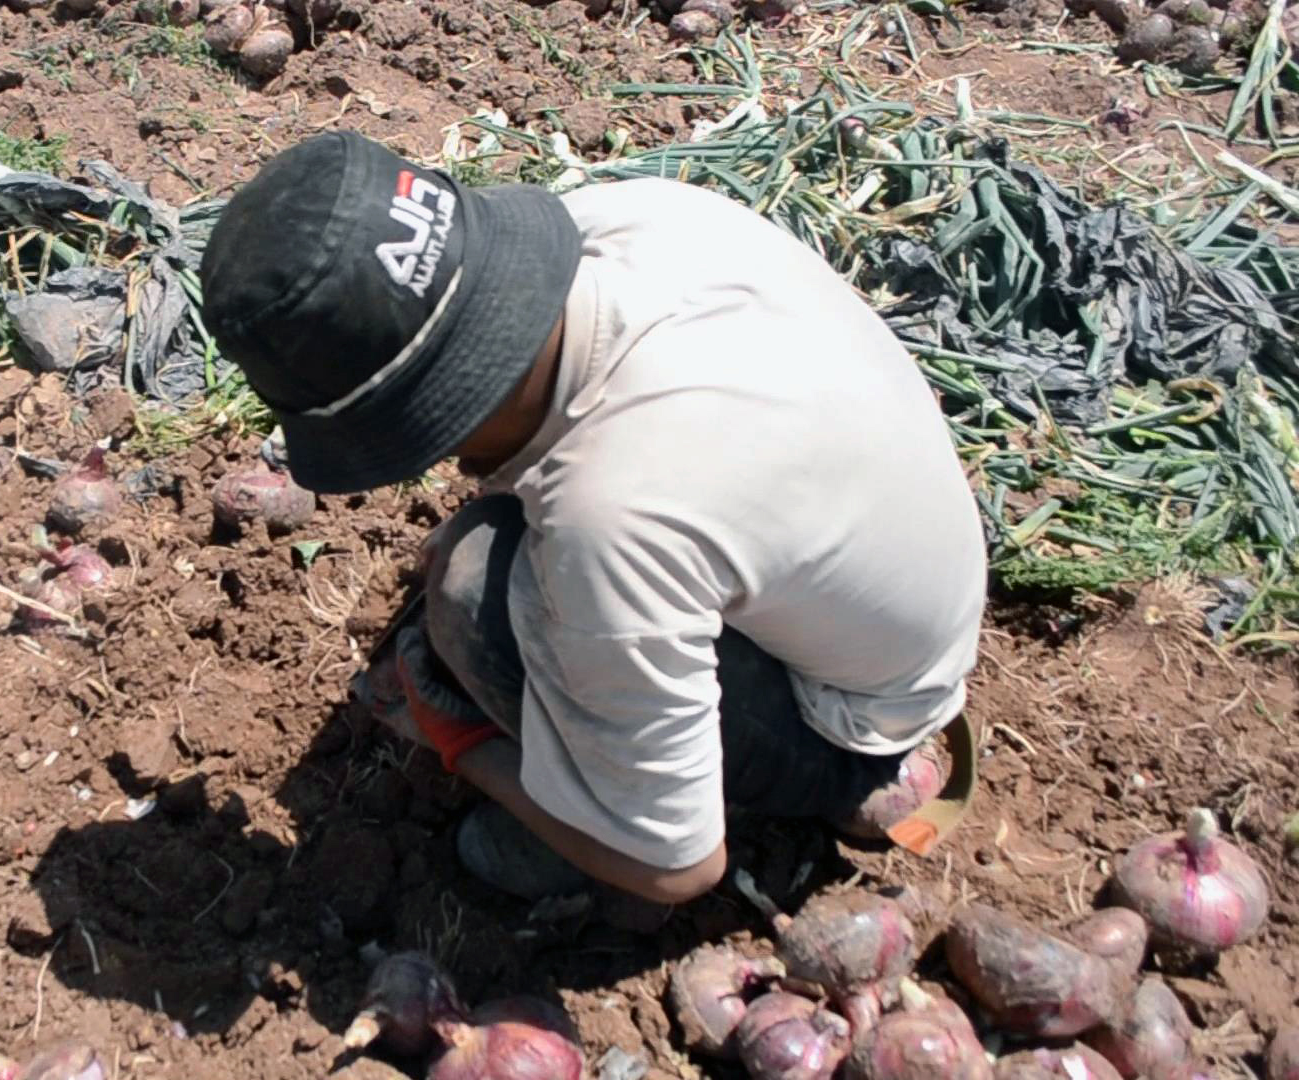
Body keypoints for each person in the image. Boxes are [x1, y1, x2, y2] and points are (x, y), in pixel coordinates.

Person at [198, 131, 986, 906]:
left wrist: (459, 744)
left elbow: (678, 870)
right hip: (906, 580)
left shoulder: (613, 521)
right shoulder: (624, 220)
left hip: (848, 722)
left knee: (475, 591)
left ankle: (588, 822)